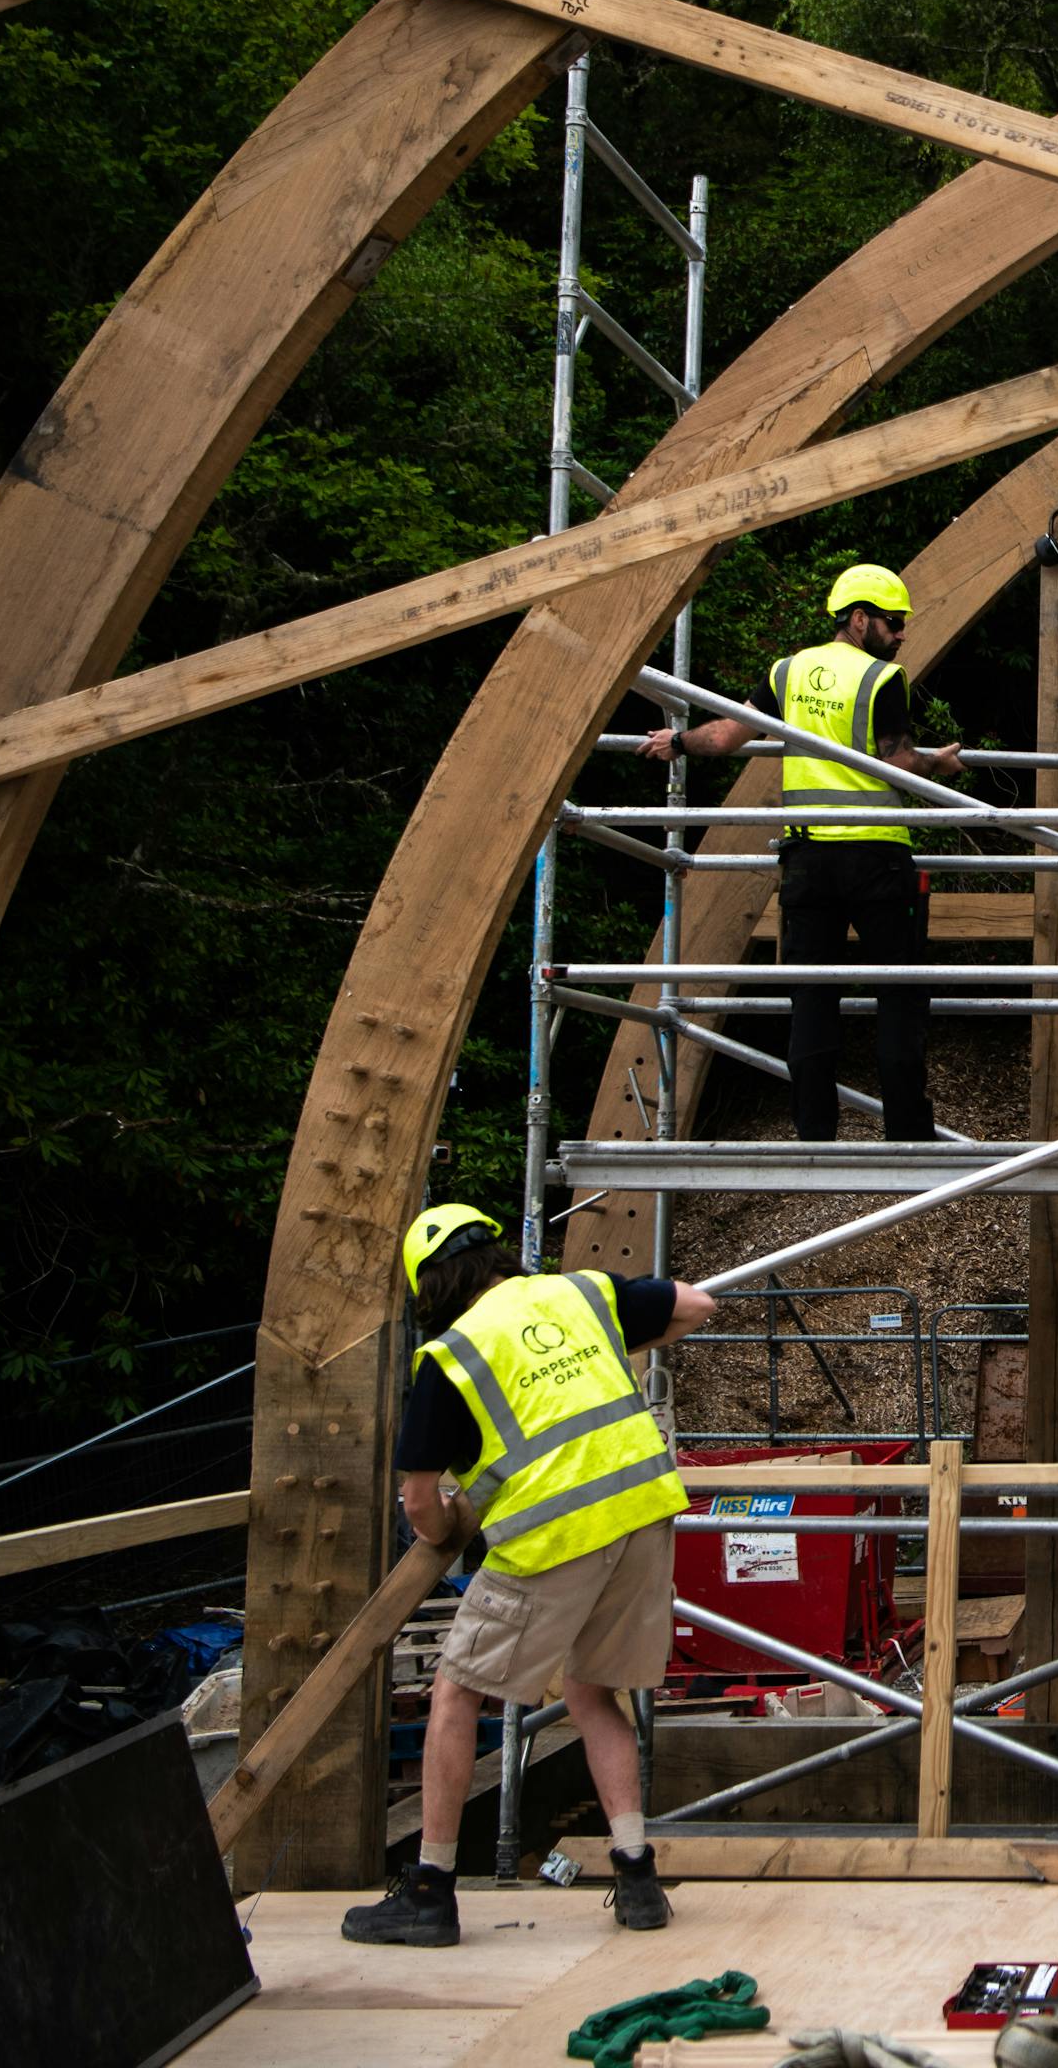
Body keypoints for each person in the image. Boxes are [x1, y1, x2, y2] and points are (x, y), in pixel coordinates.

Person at [343, 1205, 714, 1947]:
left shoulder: (452, 1356)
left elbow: (420, 1499)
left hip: (553, 1536)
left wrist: (450, 1530)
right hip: (643, 1515)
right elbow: (698, 1303)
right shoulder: (581, 1295)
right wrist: (634, 1338)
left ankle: (429, 1890)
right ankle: (637, 1878)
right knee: (591, 1691)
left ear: (432, 1286)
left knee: (455, 1692)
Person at [643, 563, 967, 1141]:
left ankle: (814, 1134)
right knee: (900, 994)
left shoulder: (787, 671)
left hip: (808, 862)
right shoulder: (880, 680)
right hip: (877, 859)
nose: (900, 636)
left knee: (812, 996)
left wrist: (677, 742)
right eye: (893, 624)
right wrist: (936, 764)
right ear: (859, 619)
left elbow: (726, 736)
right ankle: (909, 1138)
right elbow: (895, 762)